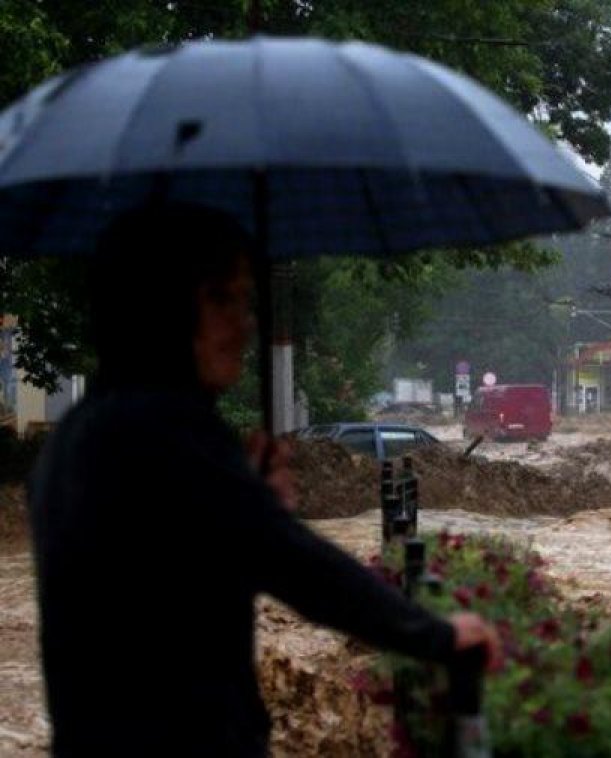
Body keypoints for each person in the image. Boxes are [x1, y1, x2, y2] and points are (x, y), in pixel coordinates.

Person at [28, 204, 501, 757]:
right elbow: (303, 570)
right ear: (161, 306)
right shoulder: (165, 433)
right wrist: (438, 635)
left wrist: (248, 500)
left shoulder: (79, 436)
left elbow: (165, 587)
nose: (245, 322)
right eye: (222, 298)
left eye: (247, 300)